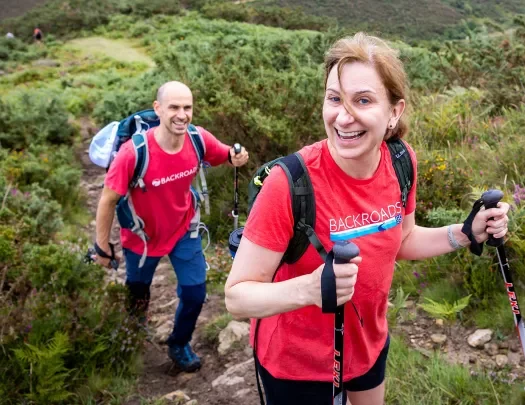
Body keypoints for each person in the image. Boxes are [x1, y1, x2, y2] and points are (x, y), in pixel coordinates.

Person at [224, 33, 510, 405]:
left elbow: (402, 240)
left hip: (367, 346)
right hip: (296, 366)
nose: (344, 116)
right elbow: (237, 297)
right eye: (334, 99)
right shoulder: (289, 184)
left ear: (394, 111)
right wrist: (309, 289)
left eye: (363, 100)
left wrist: (466, 233)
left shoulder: (401, 161)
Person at [93, 81, 249, 372]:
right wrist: (102, 246)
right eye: (174, 107)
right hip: (142, 238)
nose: (182, 114)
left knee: (195, 294)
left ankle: (179, 343)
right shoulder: (133, 153)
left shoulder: (197, 139)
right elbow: (107, 200)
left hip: (183, 231)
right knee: (138, 291)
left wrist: (236, 155)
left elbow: (225, 154)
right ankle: (134, 334)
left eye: (187, 107)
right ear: (158, 109)